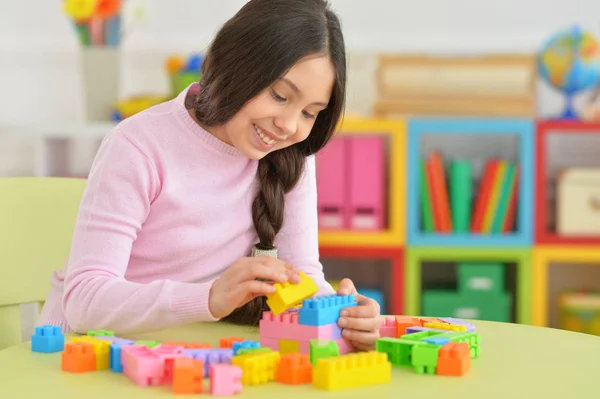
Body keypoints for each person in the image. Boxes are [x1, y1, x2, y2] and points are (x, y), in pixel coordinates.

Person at [39, 0, 381, 351]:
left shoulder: (291, 155)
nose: (289, 125)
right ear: (236, 65)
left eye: (310, 113)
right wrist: (208, 297)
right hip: (82, 351)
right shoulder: (138, 146)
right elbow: (84, 300)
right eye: (280, 95)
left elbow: (302, 277)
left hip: (187, 353)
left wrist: (341, 317)